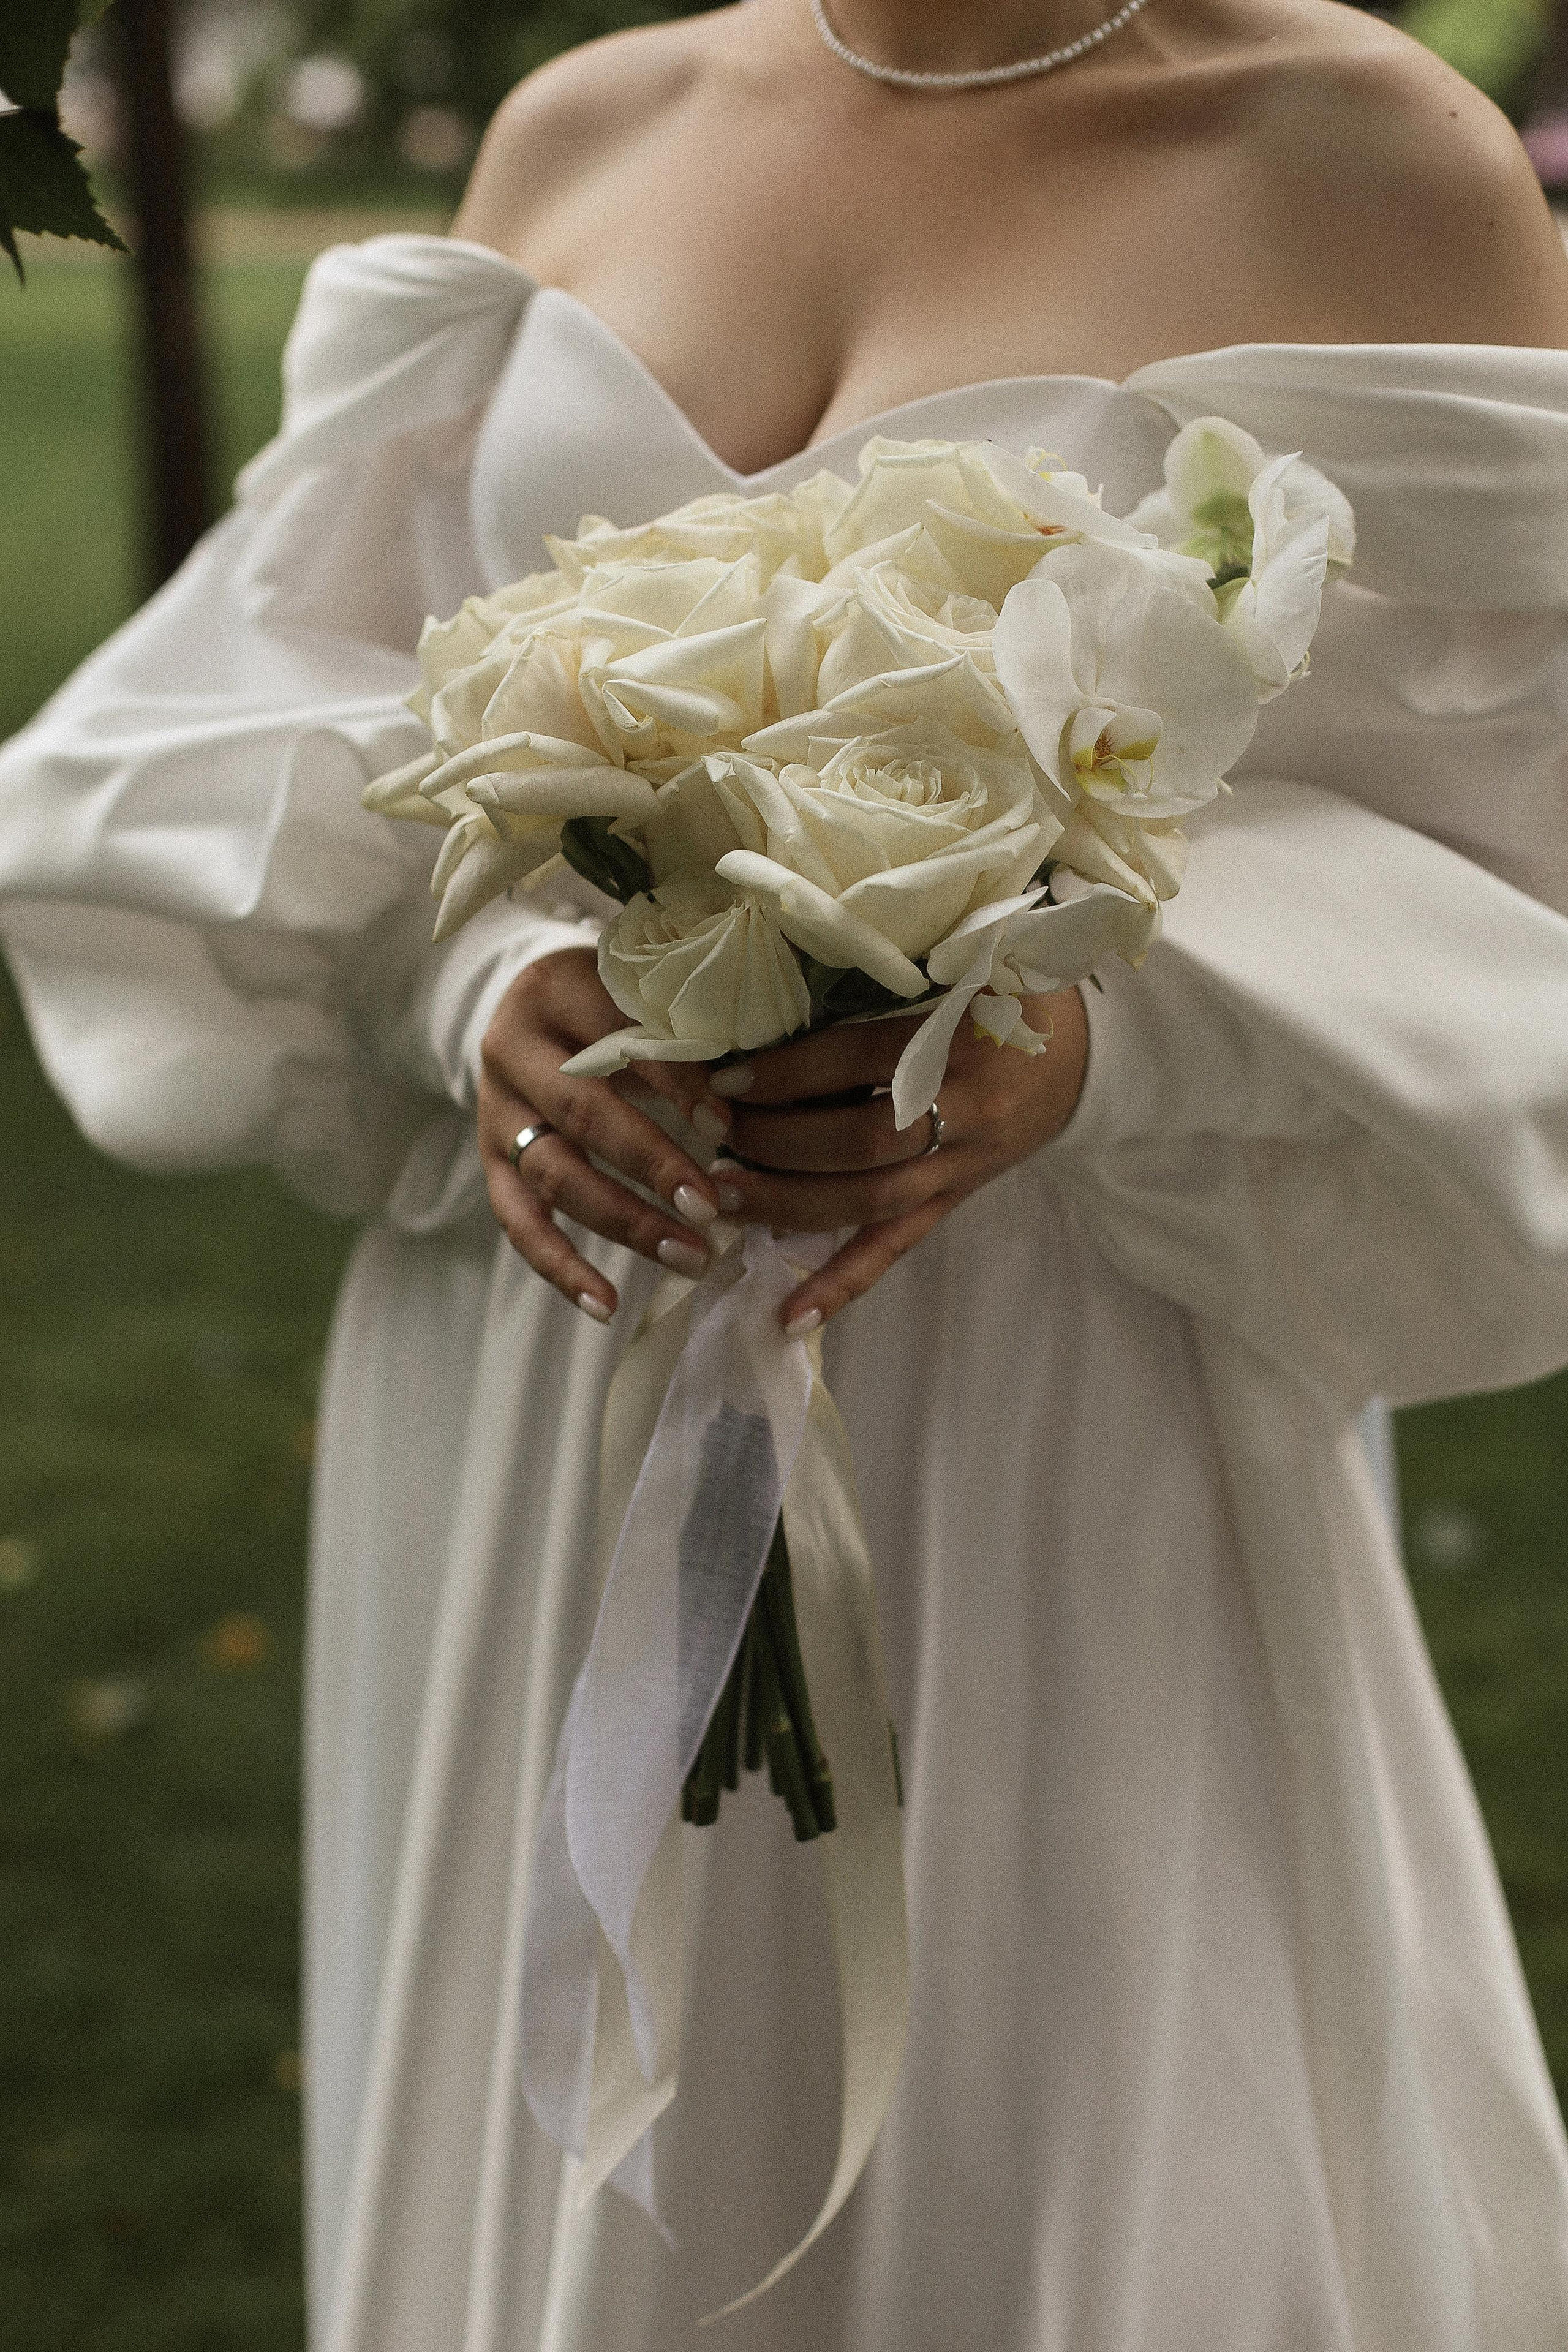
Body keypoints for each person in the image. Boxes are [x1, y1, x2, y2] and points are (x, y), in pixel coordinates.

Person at [3, 1, 1568, 2343]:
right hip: (541, 1347)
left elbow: (1537, 868)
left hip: (1036, 1387)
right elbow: (262, 709)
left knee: (1024, 2135)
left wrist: (1113, 1037)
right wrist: (466, 978)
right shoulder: (581, 131)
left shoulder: (1369, 158)